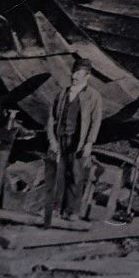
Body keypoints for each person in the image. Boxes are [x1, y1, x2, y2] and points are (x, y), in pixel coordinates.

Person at [44, 58, 103, 226]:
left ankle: (72, 211)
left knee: (76, 176)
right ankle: (56, 209)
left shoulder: (93, 96)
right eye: (74, 72)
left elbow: (96, 121)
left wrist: (89, 143)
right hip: (61, 139)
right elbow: (52, 118)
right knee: (59, 174)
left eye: (78, 73)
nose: (74, 76)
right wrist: (52, 139)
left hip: (78, 142)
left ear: (87, 76)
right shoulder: (62, 93)